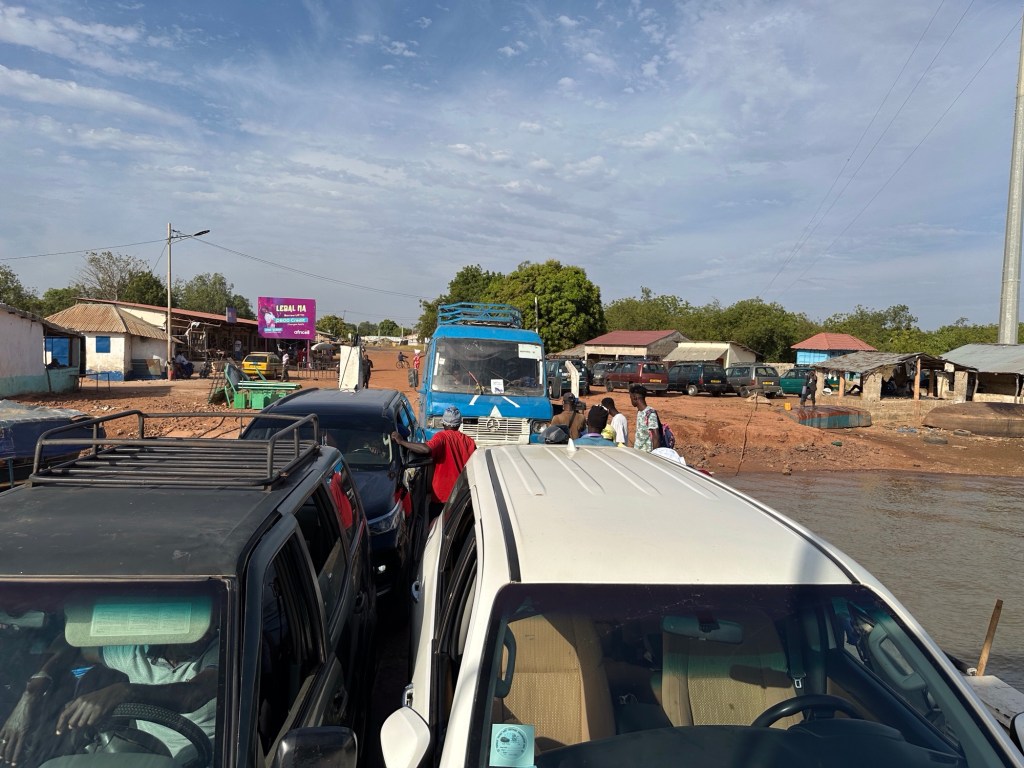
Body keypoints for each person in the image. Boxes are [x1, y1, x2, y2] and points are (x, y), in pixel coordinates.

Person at [0, 626, 218, 764]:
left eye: (213, 621)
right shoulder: (136, 652)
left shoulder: (219, 650)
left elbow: (193, 695)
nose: (210, 630)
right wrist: (32, 693)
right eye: (202, 624)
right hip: (146, 757)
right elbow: (73, 644)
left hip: (211, 757)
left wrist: (123, 692)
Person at [391, 406, 476, 519]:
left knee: (435, 529)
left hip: (442, 498)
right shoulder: (469, 441)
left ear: (443, 423)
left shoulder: (442, 437)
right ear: (459, 423)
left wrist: (401, 441)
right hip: (462, 495)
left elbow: (426, 449)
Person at [629, 384, 661, 452]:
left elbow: (656, 437)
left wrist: (655, 455)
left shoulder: (650, 413)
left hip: (647, 454)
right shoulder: (640, 412)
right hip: (638, 453)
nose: (630, 400)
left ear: (635, 397)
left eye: (630, 398)